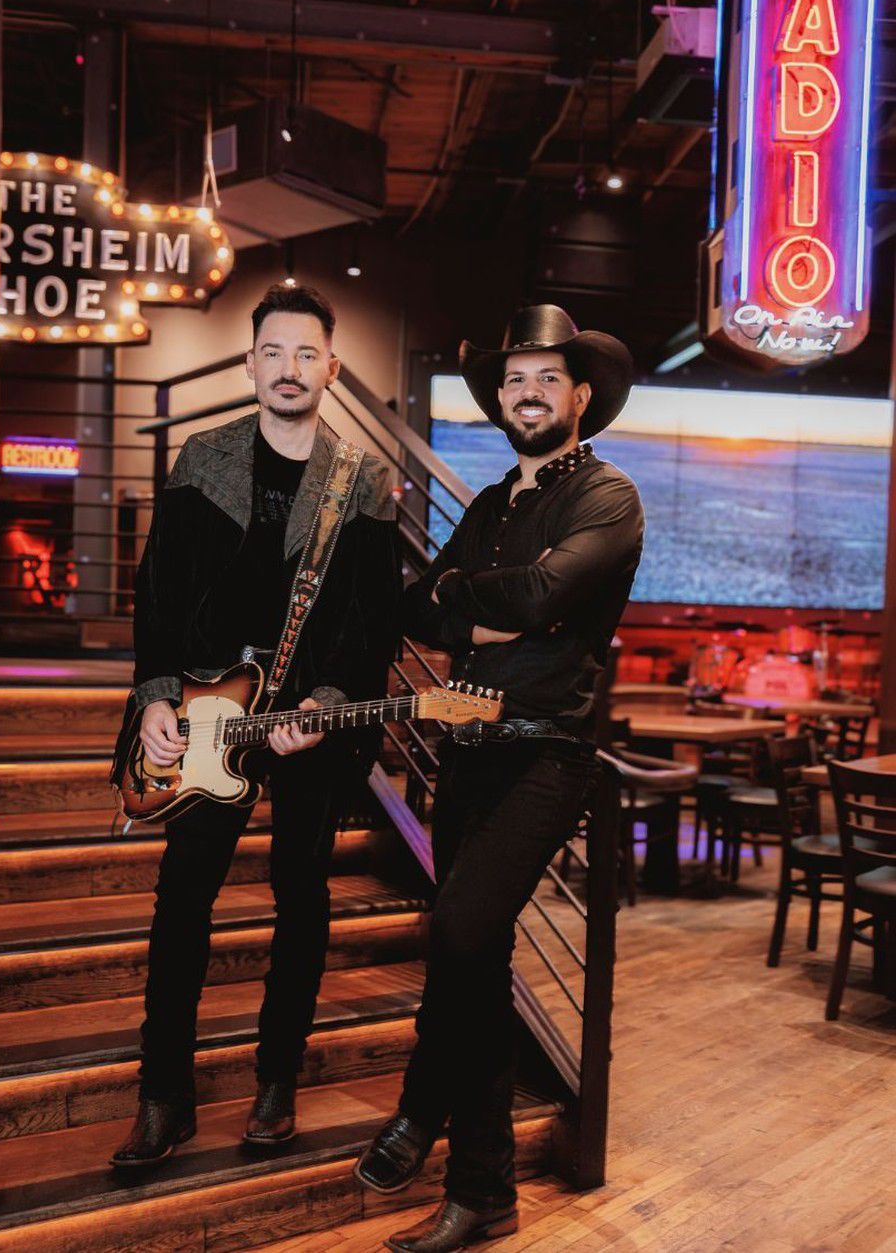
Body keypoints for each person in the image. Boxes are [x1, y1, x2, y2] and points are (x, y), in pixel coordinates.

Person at [354, 303, 643, 1252]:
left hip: (547, 754)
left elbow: (545, 595)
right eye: (515, 378)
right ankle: (452, 1151)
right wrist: (480, 612)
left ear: (581, 394)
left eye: (546, 377)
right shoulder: (487, 507)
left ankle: (454, 1150)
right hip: (465, 752)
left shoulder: (609, 497)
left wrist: (464, 599)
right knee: (472, 955)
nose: (529, 391)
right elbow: (417, 608)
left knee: (461, 930)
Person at [110, 282, 402, 1168]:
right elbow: (157, 592)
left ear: (331, 367)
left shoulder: (365, 479)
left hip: (309, 727)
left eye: (306, 353)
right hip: (205, 717)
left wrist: (323, 703)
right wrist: (156, 697)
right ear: (250, 363)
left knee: (303, 902)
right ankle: (165, 1097)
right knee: (181, 903)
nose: (288, 368)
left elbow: (375, 618)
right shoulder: (202, 458)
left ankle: (277, 1086)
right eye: (272, 352)